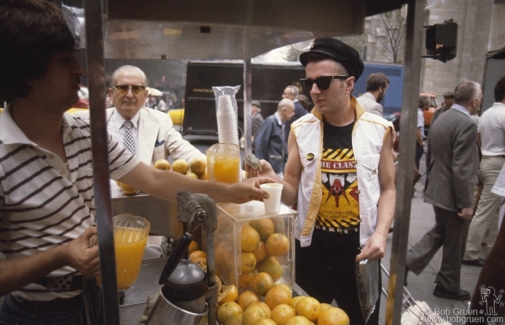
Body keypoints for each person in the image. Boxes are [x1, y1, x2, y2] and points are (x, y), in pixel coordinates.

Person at [0, 1, 272, 323]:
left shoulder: (87, 133)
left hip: (98, 297)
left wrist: (234, 190)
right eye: (64, 60)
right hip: (39, 313)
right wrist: (60, 256)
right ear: (27, 71)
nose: (80, 69)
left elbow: (155, 180)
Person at [248, 37, 396, 325]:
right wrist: (271, 182)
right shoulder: (300, 130)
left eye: (323, 82)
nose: (314, 90)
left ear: (349, 83)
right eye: (309, 83)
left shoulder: (379, 130)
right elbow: (290, 192)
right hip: (312, 249)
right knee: (304, 319)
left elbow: (389, 188)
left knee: (363, 319)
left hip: (360, 250)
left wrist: (380, 233)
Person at [406, 81, 482, 301]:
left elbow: (431, 155)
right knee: (455, 240)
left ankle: (408, 263)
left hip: (439, 188)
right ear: (474, 100)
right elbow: (463, 168)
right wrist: (466, 203)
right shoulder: (466, 124)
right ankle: (448, 284)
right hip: (453, 193)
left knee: (441, 231)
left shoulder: (443, 117)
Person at [75, 65, 204, 169]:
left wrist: (211, 167)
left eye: (136, 89)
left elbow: (187, 152)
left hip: (148, 197)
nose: (130, 95)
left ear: (145, 95)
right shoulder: (88, 123)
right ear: (111, 93)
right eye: (123, 88)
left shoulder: (160, 121)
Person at [463, 76, 505, 266]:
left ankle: (488, 246)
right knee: (486, 210)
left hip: (485, 161)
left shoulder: (487, 113)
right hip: (497, 164)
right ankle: (470, 252)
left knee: (493, 209)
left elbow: (479, 139)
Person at [253, 99, 295, 178]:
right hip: (271, 167)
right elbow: (260, 143)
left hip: (277, 167)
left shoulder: (281, 124)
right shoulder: (271, 121)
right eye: (292, 110)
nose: (293, 113)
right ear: (284, 110)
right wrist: (260, 167)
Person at [415, 95, 429, 171]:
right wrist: (420, 143)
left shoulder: (417, 112)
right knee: (416, 163)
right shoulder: (419, 114)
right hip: (417, 143)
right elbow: (417, 130)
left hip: (416, 142)